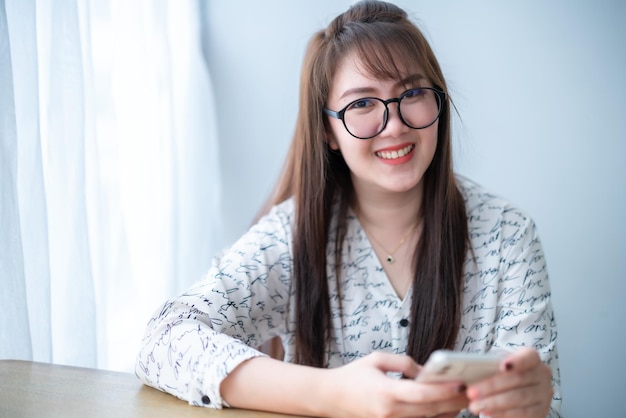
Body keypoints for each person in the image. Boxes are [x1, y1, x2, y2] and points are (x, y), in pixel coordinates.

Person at [135, 1, 561, 417]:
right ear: (328, 131)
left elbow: (547, 404)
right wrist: (333, 393)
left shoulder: (508, 235)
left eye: (411, 92)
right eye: (361, 104)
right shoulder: (291, 235)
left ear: (439, 103)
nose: (394, 125)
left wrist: (531, 405)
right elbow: (162, 341)